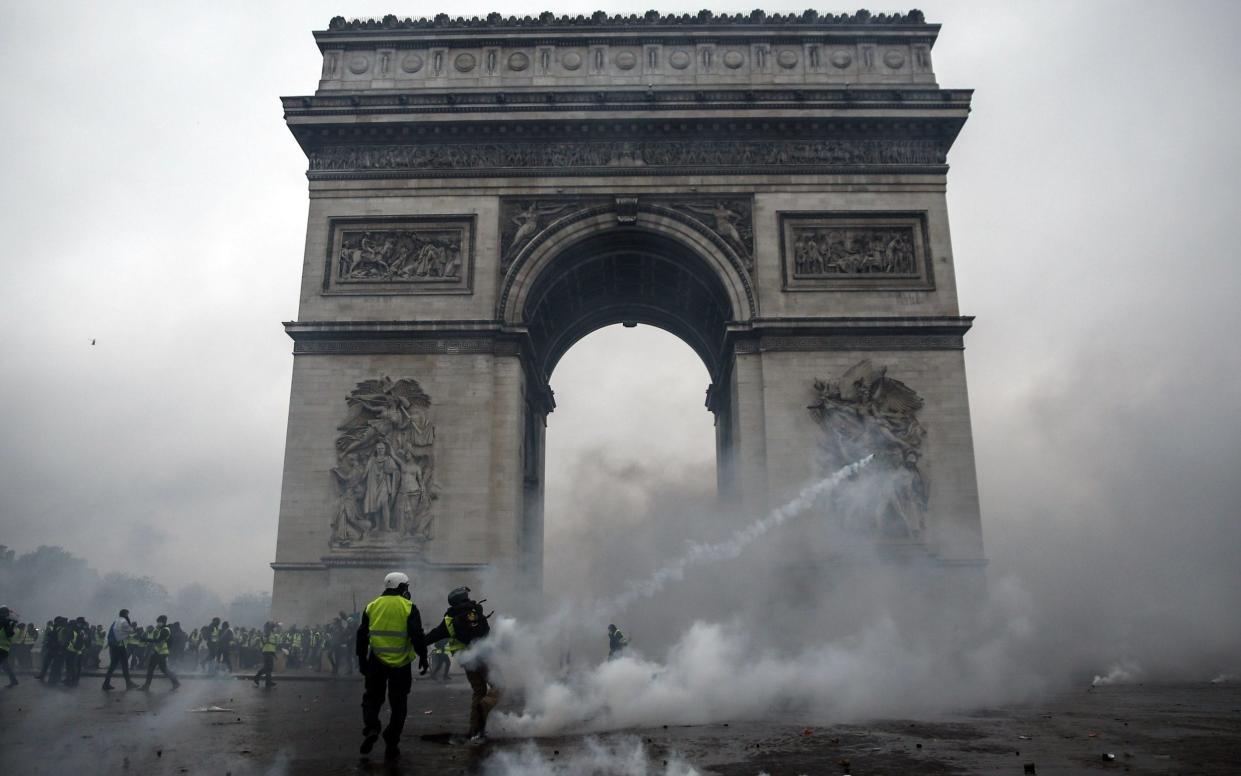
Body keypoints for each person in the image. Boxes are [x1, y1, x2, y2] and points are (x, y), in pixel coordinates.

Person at [355, 571, 428, 761]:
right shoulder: (409, 607)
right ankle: (392, 741)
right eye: (407, 587)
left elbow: (361, 637)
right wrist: (423, 657)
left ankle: (372, 727)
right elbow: (417, 635)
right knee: (399, 704)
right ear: (402, 587)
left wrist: (362, 661)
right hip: (401, 664)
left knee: (371, 699)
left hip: (376, 661)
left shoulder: (371, 606)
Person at [424, 586, 499, 743]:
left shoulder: (449, 619)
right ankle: (486, 705)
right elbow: (486, 633)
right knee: (499, 685)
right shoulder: (476, 612)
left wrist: (416, 641)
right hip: (483, 657)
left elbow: (432, 636)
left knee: (478, 691)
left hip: (467, 660)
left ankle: (475, 730)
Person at [139, 615, 180, 691]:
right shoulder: (161, 629)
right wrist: (147, 634)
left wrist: (145, 640)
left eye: (159, 622)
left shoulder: (165, 630)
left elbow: (158, 640)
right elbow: (155, 638)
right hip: (157, 652)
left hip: (161, 653)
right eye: (157, 622)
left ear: (163, 622)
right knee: (152, 668)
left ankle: (175, 682)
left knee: (163, 669)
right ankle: (146, 686)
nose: (158, 623)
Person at [102, 609, 139, 691]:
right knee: (124, 665)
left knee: (113, 666)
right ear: (125, 615)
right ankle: (128, 683)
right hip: (119, 646)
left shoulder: (116, 622)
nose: (128, 616)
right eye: (127, 614)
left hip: (114, 646)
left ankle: (106, 683)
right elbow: (130, 631)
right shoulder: (122, 621)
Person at [253, 622, 280, 688]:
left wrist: (274, 655)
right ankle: (257, 678)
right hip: (267, 652)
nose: (276, 629)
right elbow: (268, 641)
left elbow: (272, 645)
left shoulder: (272, 634)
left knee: (269, 668)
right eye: (274, 628)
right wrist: (274, 624)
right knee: (267, 668)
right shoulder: (268, 632)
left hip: (269, 652)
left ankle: (268, 682)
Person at [0, 606, 18, 687]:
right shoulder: (8, 622)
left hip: (2, 647)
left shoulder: (5, 622)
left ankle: (13, 680)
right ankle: (13, 680)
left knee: (4, 665)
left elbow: (9, 634)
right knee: (5, 665)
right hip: (4, 647)